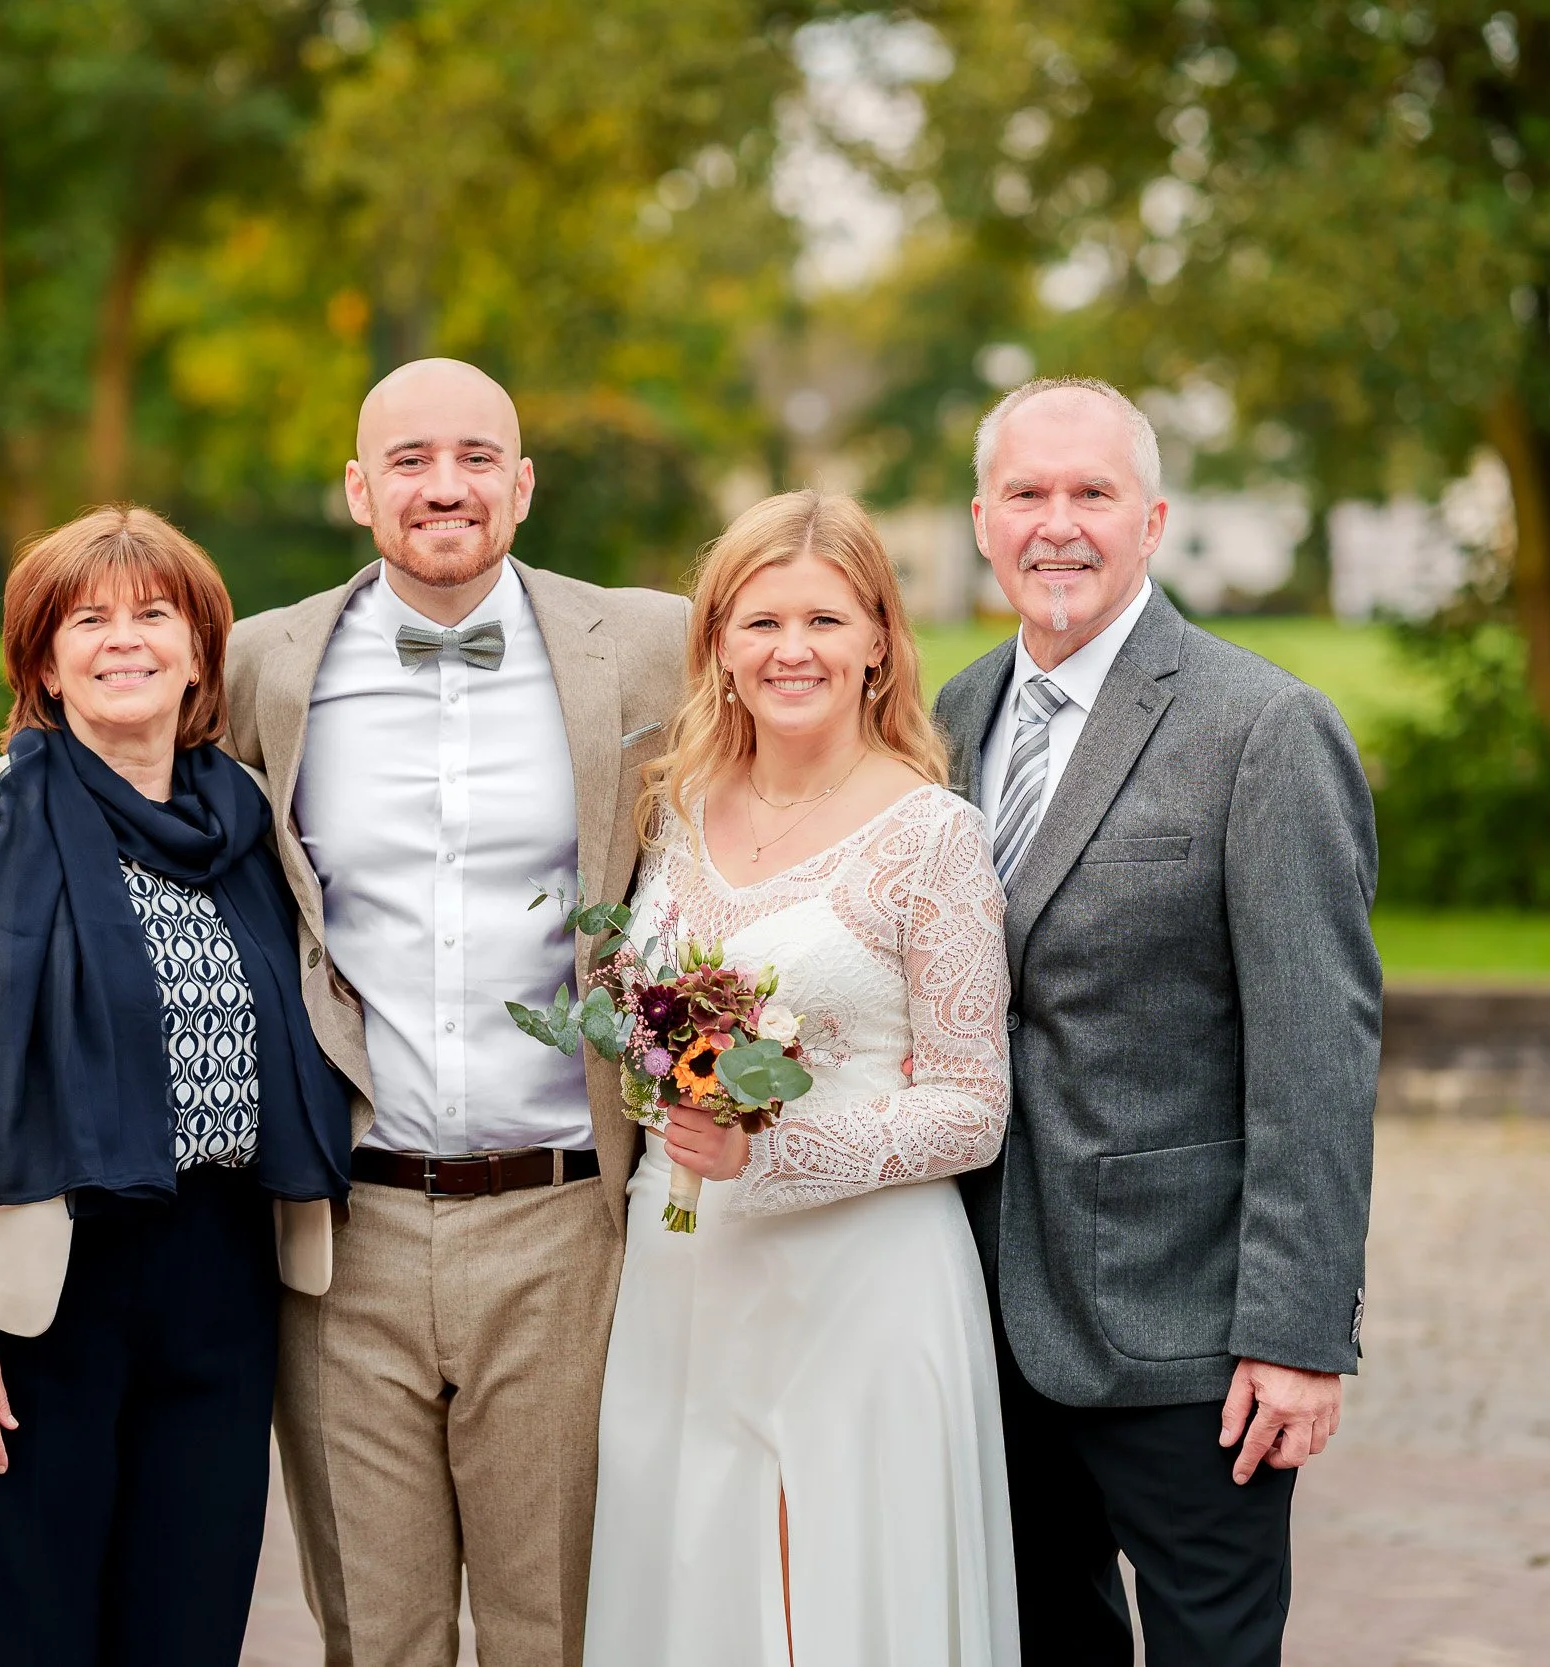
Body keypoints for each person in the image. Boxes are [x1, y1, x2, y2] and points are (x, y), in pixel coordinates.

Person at [220, 358, 691, 1667]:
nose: (446, 485)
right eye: (412, 459)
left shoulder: (649, 640)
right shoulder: (261, 663)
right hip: (342, 1231)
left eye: (478, 457)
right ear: (359, 489)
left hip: (561, 1224)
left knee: (558, 1623)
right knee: (376, 1629)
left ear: (524, 484)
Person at [0, 506, 354, 1666]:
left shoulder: (252, 824)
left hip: (223, 1283)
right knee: (16, 1630)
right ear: (41, 659)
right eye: (89, 619)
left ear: (198, 651)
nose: (124, 640)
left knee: (184, 1626)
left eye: (154, 614)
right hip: (28, 1293)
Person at [934, 377, 1381, 1667]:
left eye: (1092, 493)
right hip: (977, 1316)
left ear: (1153, 518)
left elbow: (1316, 1053)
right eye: (1027, 493)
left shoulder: (1262, 727)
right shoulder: (948, 717)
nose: (1057, 524)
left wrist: (1295, 1336)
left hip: (1188, 1338)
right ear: (981, 519)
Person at [584, 489, 1018, 1666]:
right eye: (759, 620)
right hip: (687, 1271)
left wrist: (768, 1148)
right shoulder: (674, 811)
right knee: (693, 1573)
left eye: (825, 620)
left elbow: (975, 1104)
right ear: (717, 642)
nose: (792, 650)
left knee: (831, 1588)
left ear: (879, 637)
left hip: (861, 1286)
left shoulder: (932, 835)